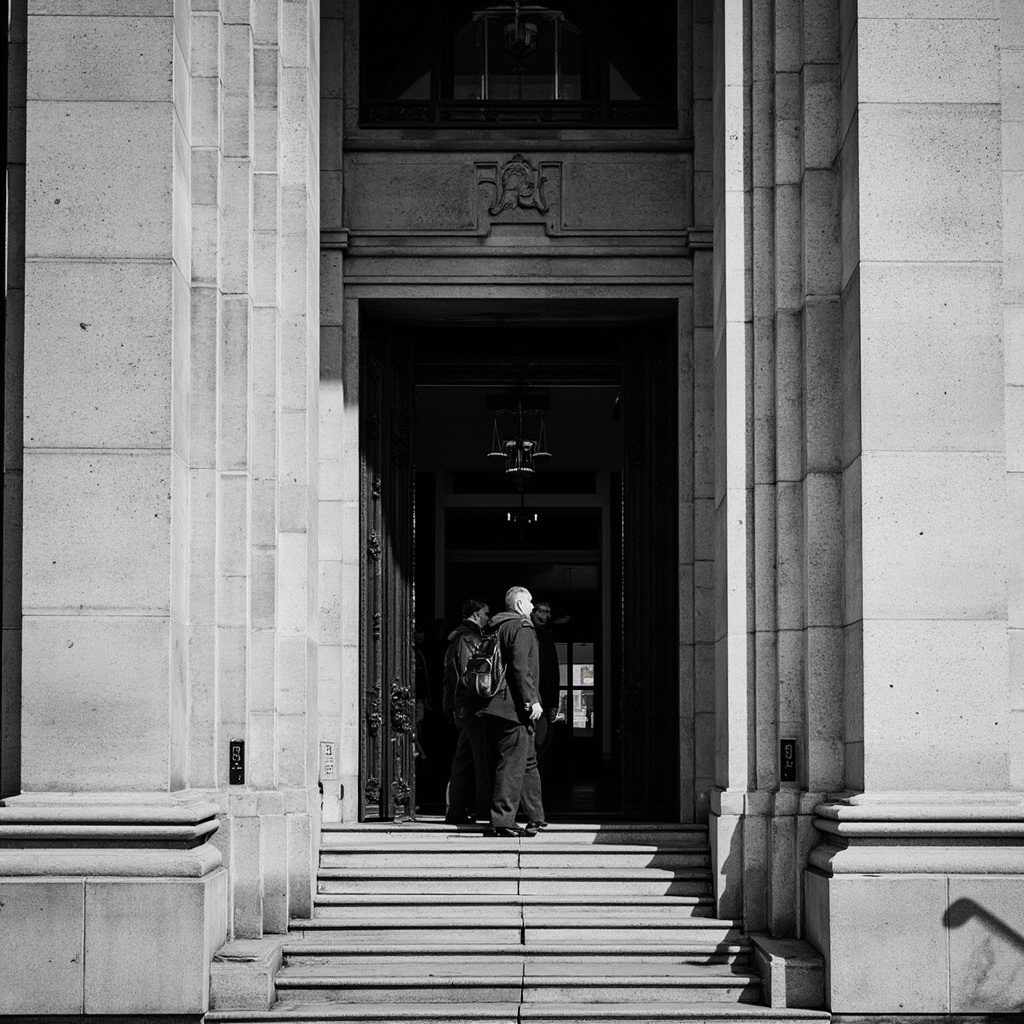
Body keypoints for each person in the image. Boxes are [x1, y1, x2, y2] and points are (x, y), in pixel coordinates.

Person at [474, 585, 546, 838]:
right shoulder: (521, 627)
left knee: (526, 762)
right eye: (529, 603)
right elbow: (520, 667)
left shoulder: (496, 627)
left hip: (493, 706)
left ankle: (536, 816)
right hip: (513, 708)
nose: (532, 607)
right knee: (513, 764)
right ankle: (502, 820)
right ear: (519, 605)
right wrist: (532, 700)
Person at [441, 598, 491, 824]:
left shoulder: (456, 639)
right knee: (479, 759)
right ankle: (480, 809)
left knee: (465, 759)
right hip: (472, 708)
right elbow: (470, 677)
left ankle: (458, 809)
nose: (489, 618)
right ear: (476, 614)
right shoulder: (469, 639)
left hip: (462, 707)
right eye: (486, 613)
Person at [530, 599, 561, 773]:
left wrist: (553, 703)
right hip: (535, 697)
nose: (546, 616)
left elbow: (552, 672)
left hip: (544, 697)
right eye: (542, 611)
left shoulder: (546, 635)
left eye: (548, 612)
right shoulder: (529, 634)